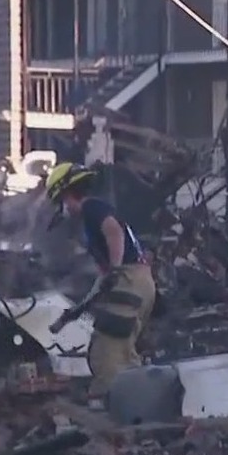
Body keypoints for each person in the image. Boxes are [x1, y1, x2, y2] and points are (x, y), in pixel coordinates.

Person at [44, 162, 155, 410]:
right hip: (140, 282)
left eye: (60, 202)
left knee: (107, 354)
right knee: (124, 353)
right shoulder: (95, 213)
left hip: (128, 280)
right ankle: (143, 406)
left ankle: (115, 416)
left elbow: (113, 232)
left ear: (67, 194)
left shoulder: (91, 208)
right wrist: (77, 311)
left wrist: (115, 269)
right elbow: (104, 278)